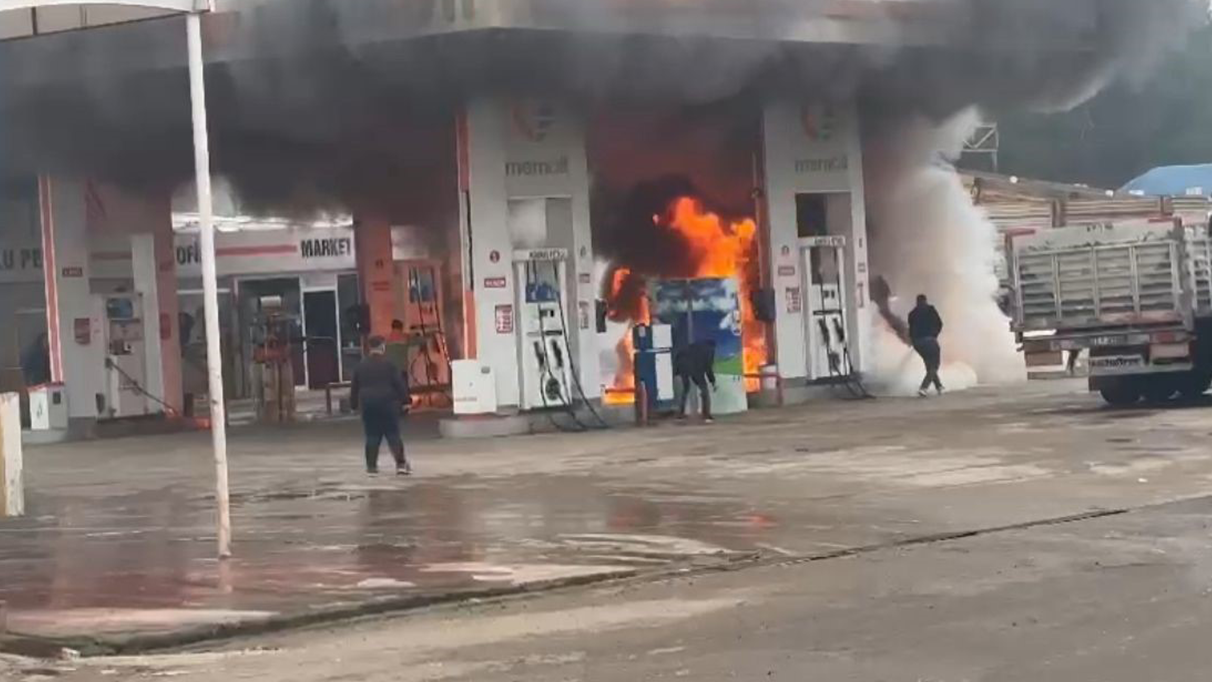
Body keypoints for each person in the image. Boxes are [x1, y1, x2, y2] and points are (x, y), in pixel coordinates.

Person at [351, 335, 412, 476]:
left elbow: (354, 387)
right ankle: (401, 465)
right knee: (393, 435)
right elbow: (399, 384)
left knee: (372, 436)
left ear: (369, 348)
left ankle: (371, 467)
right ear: (382, 347)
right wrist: (406, 401)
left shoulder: (361, 366)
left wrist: (354, 404)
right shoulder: (389, 365)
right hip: (388, 404)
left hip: (368, 405)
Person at [907, 294, 944, 397]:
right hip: (930, 340)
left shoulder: (912, 314)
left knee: (929, 365)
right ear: (925, 301)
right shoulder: (930, 310)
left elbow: (910, 330)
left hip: (917, 343)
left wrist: (913, 341)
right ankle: (924, 388)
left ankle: (939, 386)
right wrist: (934, 335)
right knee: (934, 366)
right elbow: (940, 323)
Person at [674, 339, 717, 423]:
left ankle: (680, 414)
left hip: (683, 367)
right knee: (704, 391)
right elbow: (708, 368)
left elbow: (679, 355)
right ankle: (706, 415)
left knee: (685, 389)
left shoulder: (694, 346)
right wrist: (712, 381)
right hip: (697, 370)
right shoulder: (709, 351)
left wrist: (676, 371)